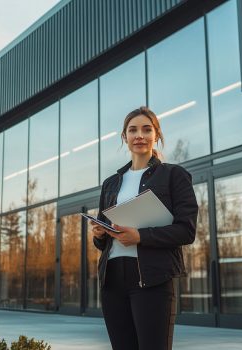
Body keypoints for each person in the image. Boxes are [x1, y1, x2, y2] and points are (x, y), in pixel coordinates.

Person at [91, 106, 198, 350]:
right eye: (133, 130)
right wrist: (100, 234)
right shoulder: (111, 183)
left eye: (146, 129)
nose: (139, 135)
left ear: (156, 135)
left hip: (152, 278)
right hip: (113, 278)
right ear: (124, 137)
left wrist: (140, 236)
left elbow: (186, 231)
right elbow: (103, 240)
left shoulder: (174, 175)